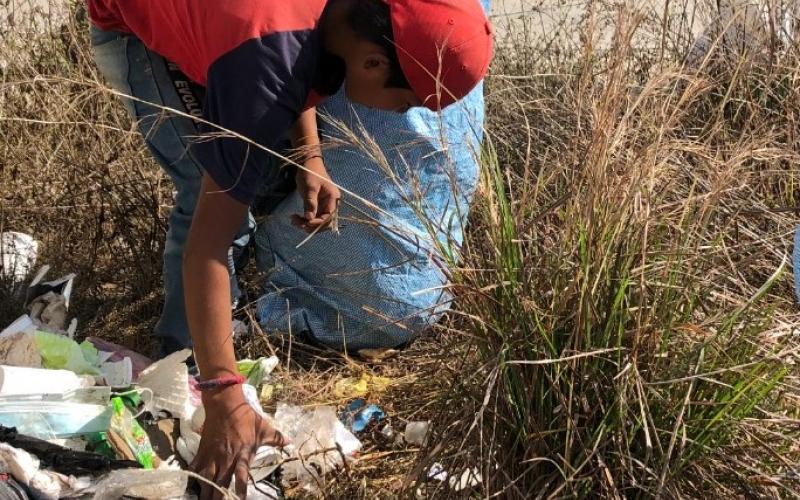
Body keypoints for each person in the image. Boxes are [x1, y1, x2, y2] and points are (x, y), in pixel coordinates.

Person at [87, 0, 492, 496]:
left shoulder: (333, 21)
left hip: (243, 37)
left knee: (244, 174)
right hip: (134, 34)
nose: (401, 113)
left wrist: (310, 155)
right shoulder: (265, 65)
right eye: (406, 104)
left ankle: (205, 361)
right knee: (206, 199)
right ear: (371, 63)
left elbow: (298, 57)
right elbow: (206, 251)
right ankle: (180, 370)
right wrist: (226, 398)